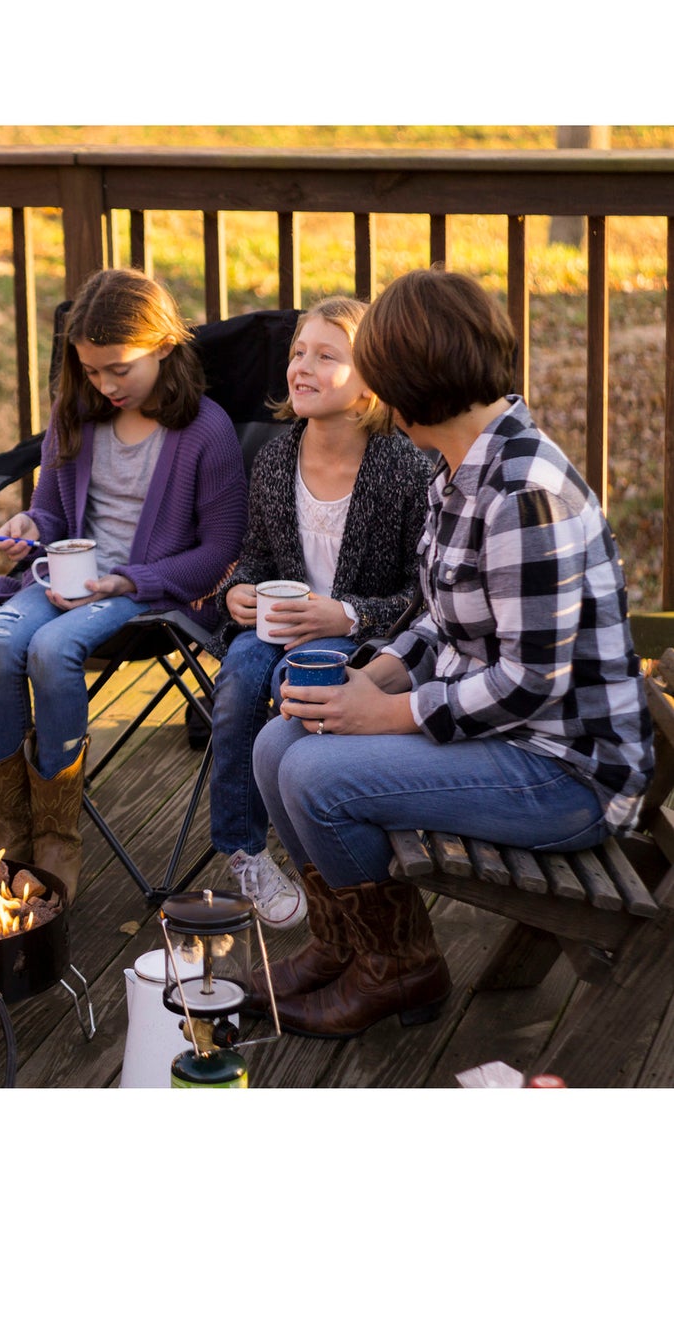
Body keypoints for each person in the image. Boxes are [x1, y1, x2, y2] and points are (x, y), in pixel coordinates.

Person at [251, 269, 654, 1037]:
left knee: (314, 773)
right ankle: (342, 946)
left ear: (407, 386)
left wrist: (388, 713)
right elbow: (439, 619)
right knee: (278, 742)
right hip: (504, 737)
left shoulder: (521, 493)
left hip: (563, 772)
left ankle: (400, 971)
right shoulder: (460, 467)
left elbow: (531, 683)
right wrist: (371, 672)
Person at [0, 268, 247, 903]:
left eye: (120, 368)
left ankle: (59, 836)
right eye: (92, 371)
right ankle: (11, 830)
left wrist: (127, 579)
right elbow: (51, 517)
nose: (106, 384)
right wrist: (25, 527)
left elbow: (220, 552)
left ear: (165, 346)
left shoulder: (206, 430)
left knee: (50, 649)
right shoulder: (76, 415)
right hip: (67, 577)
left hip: (147, 592)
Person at [206, 297, 431, 929]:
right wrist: (238, 593)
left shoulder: (406, 469)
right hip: (274, 626)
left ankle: (326, 853)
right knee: (241, 680)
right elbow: (255, 557)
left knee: (296, 685)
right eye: (298, 352)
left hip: (363, 642)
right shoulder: (278, 459)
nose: (302, 366)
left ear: (370, 385)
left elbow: (422, 595)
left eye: (326, 356)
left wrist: (348, 615)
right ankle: (244, 851)